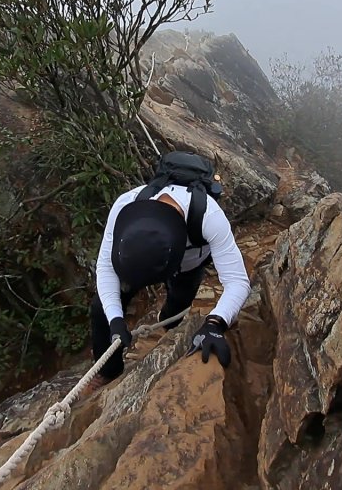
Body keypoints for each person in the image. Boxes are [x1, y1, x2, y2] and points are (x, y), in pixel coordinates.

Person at [86, 151, 252, 392]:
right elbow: (106, 266)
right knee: (100, 309)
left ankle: (170, 326)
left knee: (178, 304)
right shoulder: (126, 204)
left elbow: (237, 280)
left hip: (189, 266)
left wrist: (216, 323)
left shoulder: (210, 217)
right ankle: (109, 370)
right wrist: (115, 319)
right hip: (139, 259)